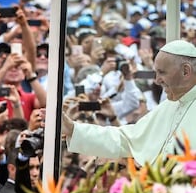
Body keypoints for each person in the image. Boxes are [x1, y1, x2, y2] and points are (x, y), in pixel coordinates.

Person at [62, 40, 196, 166]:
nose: (157, 80)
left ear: (186, 71)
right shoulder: (169, 106)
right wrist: (74, 129)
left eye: (162, 72)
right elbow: (125, 139)